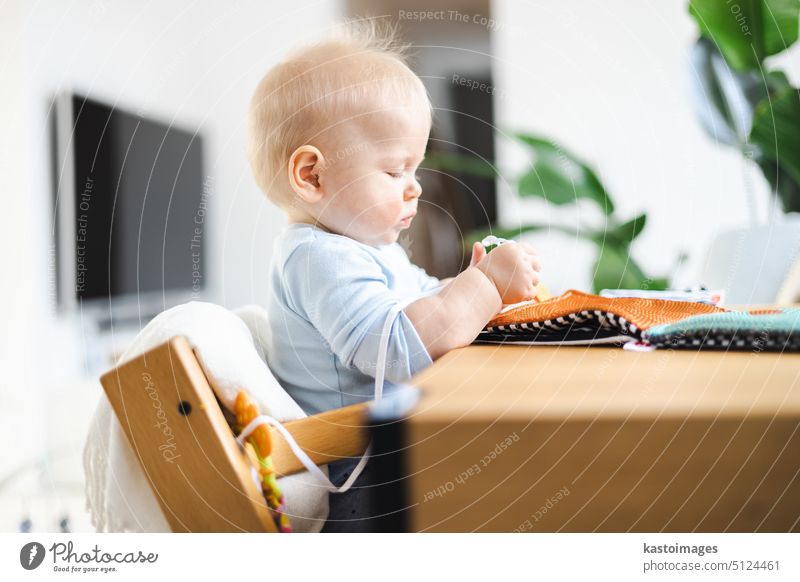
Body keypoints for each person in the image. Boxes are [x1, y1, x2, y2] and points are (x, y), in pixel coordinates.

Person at [246, 20, 541, 530]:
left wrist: (460, 287)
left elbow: (418, 298)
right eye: (393, 171)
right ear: (312, 176)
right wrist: (486, 287)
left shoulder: (362, 249)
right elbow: (395, 348)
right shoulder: (319, 257)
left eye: (415, 169)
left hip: (382, 451)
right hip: (360, 476)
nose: (415, 188)